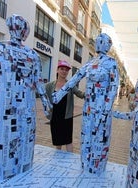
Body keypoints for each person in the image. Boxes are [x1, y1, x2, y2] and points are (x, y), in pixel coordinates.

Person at [0, 14, 52, 180]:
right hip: (5, 106)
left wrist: (46, 104)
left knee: (26, 140)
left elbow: (39, 82)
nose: (20, 30)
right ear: (10, 27)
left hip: (27, 106)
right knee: (6, 141)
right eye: (18, 26)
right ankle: (4, 174)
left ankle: (23, 172)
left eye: (23, 27)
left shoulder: (33, 55)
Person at [52, 33, 119, 175]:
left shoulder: (112, 63)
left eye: (103, 41)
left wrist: (107, 109)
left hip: (102, 109)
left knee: (100, 137)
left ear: (108, 45)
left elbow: (114, 87)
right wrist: (59, 94)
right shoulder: (90, 63)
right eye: (98, 41)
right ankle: (85, 166)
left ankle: (98, 167)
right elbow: (74, 80)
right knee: (86, 136)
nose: (100, 43)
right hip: (88, 108)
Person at [45, 60, 84, 152]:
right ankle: (58, 162)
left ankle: (69, 161)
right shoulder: (50, 85)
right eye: (62, 69)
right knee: (58, 141)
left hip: (67, 116)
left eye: (66, 70)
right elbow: (40, 91)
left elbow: (79, 93)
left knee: (68, 141)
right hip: (54, 116)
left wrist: (90, 94)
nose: (64, 71)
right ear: (57, 70)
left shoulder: (70, 85)